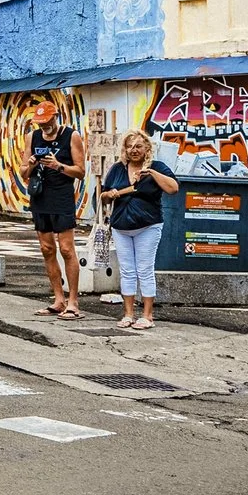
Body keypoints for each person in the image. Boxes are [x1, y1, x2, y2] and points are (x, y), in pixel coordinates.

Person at [98, 131, 179, 331]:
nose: (134, 150)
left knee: (145, 269)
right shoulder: (117, 169)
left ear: (147, 149)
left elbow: (173, 188)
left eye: (138, 146)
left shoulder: (157, 167)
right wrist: (110, 194)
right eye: (130, 146)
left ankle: (147, 315)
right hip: (121, 226)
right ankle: (128, 314)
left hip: (148, 225)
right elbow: (103, 197)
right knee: (127, 271)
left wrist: (150, 173)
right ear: (124, 149)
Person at [23, 95, 85, 320]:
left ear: (56, 118)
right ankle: (58, 299)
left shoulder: (71, 135)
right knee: (47, 249)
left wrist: (58, 166)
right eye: (41, 124)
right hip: (40, 196)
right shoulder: (33, 137)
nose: (45, 127)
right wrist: (30, 166)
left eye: (48, 122)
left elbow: (80, 171)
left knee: (67, 248)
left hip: (62, 196)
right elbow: (22, 172)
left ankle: (73, 302)